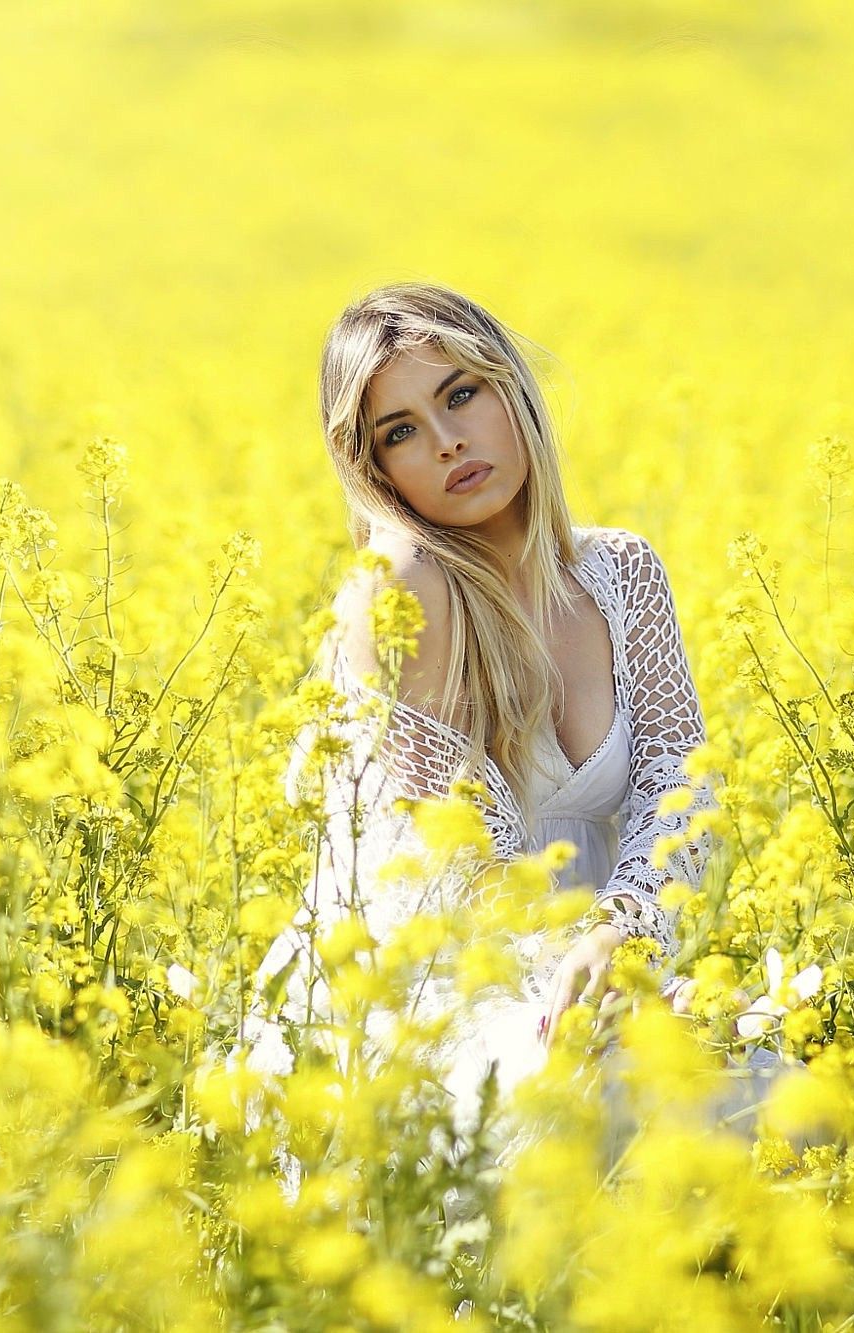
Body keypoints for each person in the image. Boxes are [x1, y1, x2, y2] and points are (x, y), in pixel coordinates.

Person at [256, 281, 774, 1184]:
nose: (447, 439)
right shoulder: (405, 589)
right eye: (401, 430)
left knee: (784, 1099)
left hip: (597, 961)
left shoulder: (622, 573)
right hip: (434, 987)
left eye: (460, 394)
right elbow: (468, 871)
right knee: (590, 1123)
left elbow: (680, 790)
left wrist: (628, 933)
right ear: (376, 470)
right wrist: (593, 978)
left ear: (512, 390)